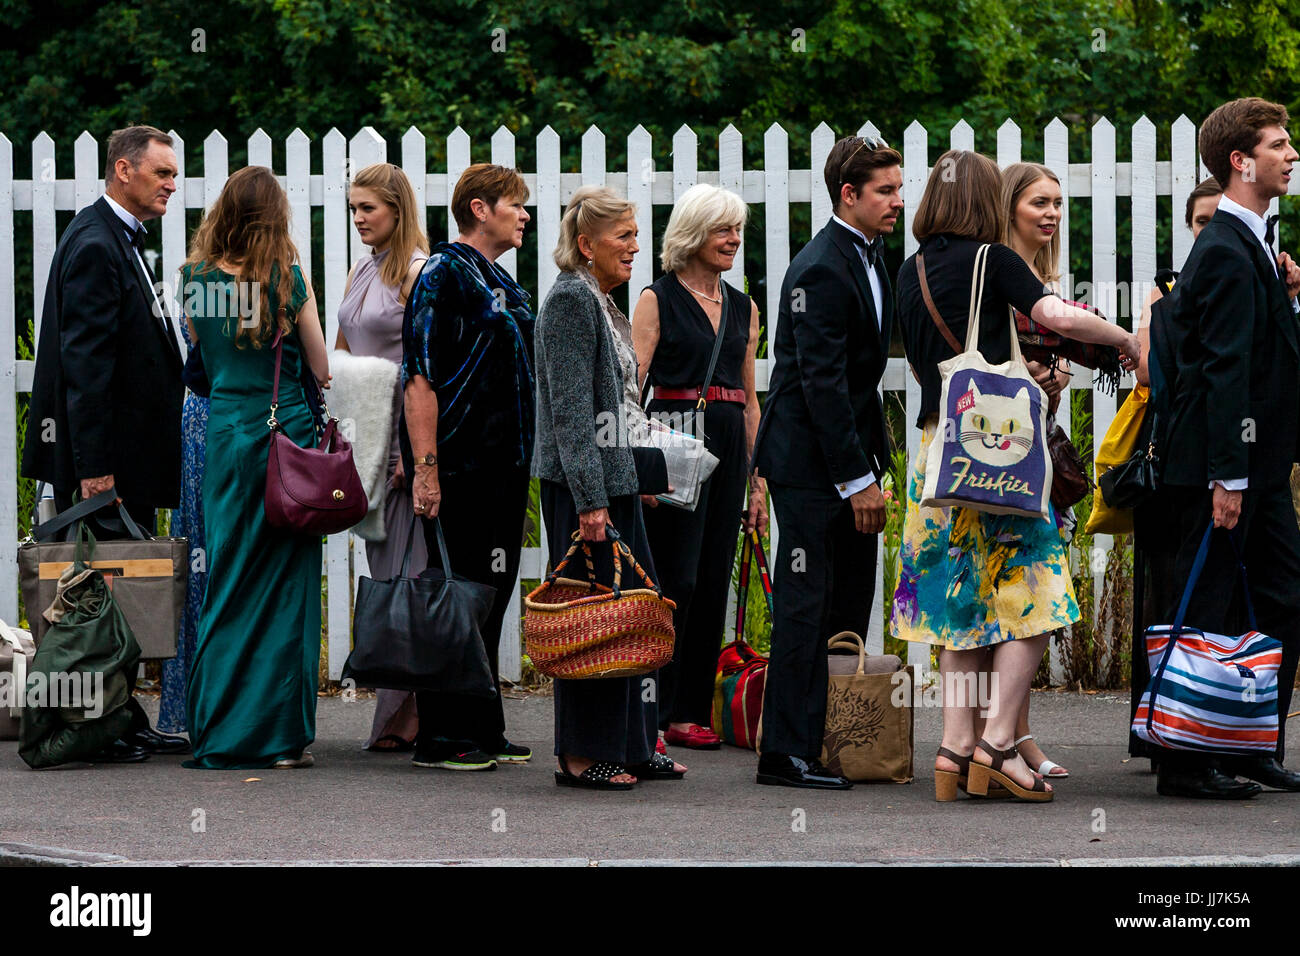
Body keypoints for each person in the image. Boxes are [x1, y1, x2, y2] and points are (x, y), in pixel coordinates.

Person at [891, 149, 1139, 803]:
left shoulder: (907, 270)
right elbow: (1055, 316)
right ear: (986, 203)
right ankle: (998, 744)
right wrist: (1126, 340)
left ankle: (953, 752)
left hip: (936, 454)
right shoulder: (991, 261)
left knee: (959, 610)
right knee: (1040, 599)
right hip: (997, 454)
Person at [22, 125, 190, 762]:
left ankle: (119, 715)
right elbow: (83, 368)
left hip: (120, 457)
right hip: (106, 461)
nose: (172, 184)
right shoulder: (97, 242)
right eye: (162, 173)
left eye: (173, 174)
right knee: (101, 593)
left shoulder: (112, 235)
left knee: (116, 588)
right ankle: (98, 724)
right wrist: (94, 471)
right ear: (124, 170)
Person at [1156, 97, 1300, 799]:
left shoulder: (1254, 244)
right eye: (1278, 144)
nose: (1292, 154)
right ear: (1241, 162)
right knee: (1209, 604)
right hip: (1225, 469)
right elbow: (1221, 372)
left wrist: (1290, 296)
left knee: (1278, 598)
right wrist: (1229, 478)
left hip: (1258, 469)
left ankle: (1251, 744)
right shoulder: (1222, 250)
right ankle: (1184, 764)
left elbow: (1265, 352)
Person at [749, 134, 902, 790]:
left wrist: (878, 463)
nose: (899, 201)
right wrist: (857, 478)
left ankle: (835, 740)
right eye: (886, 191)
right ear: (849, 195)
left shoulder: (873, 256)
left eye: (900, 187)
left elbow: (864, 380)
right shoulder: (819, 267)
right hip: (809, 464)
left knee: (850, 599)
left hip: (850, 458)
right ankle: (784, 753)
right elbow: (821, 382)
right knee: (807, 604)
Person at [533, 184, 688, 789]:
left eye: (634, 234)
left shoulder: (598, 298)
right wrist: (593, 502)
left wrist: (634, 479)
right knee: (589, 619)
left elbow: (614, 405)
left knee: (629, 614)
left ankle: (630, 742)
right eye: (622, 236)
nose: (634, 246)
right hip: (583, 488)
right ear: (585, 244)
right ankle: (579, 755)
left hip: (611, 481)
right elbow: (573, 414)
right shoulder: (571, 300)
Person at [182, 165, 330, 769]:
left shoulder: (194, 278)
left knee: (227, 577)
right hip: (284, 436)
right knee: (286, 587)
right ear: (276, 217)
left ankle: (219, 729)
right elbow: (320, 367)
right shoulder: (288, 280)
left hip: (226, 434)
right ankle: (279, 739)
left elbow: (202, 360)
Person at [404, 163, 535, 771]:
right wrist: (425, 469)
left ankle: (483, 727)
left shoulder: (498, 277)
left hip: (505, 465)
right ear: (480, 208)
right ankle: (442, 735)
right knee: (458, 593)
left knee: (492, 594)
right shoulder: (442, 272)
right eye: (516, 205)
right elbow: (421, 378)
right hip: (460, 464)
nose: (525, 215)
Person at [632, 183, 767, 751]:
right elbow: (632, 389)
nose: (734, 239)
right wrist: (634, 470)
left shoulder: (744, 306)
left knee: (713, 579)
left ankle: (691, 710)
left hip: (730, 445)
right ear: (691, 234)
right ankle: (654, 710)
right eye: (722, 229)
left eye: (737, 229)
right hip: (673, 444)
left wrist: (758, 482)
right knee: (676, 577)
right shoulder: (655, 298)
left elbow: (751, 396)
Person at [1128, 176, 1222, 770]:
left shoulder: (1256, 276)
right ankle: (1163, 729)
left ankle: (1222, 728)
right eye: (1199, 222)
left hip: (1224, 459)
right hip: (1172, 459)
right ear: (1188, 229)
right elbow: (1143, 370)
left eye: (1216, 219)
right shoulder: (1165, 290)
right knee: (1167, 593)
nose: (1208, 230)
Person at [336, 162, 430, 752]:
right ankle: (398, 713)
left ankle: (411, 714)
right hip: (363, 441)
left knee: (411, 575)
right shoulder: (359, 268)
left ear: (397, 208)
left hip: (402, 441)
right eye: (353, 209)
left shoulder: (420, 273)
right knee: (383, 571)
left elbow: (427, 371)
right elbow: (343, 350)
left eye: (367, 208)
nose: (358, 219)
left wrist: (416, 457)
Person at [999, 162, 1079, 780]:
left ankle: (1018, 734)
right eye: (1038, 204)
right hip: (1001, 460)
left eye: (1057, 203)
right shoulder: (1000, 273)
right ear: (1010, 207)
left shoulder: (1043, 275)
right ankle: (1003, 738)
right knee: (1019, 605)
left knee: (1024, 608)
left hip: (1037, 455)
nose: (1051, 214)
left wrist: (1050, 382)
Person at [158, 320, 208, 735]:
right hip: (223, 417)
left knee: (198, 566)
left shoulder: (197, 277)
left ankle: (196, 705)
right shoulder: (275, 274)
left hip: (202, 417)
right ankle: (216, 706)